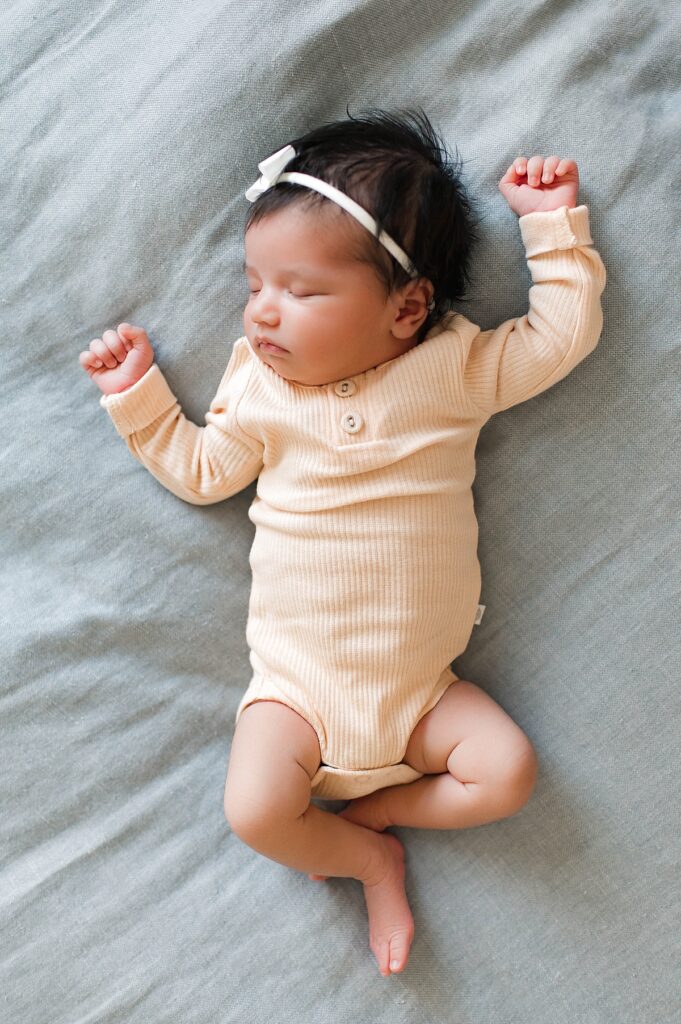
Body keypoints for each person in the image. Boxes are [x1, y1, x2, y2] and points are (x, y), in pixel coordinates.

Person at [77, 107, 606, 978]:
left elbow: (556, 339)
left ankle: (379, 814)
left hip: (421, 697)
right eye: (254, 287)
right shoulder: (257, 391)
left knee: (506, 773)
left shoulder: (450, 368)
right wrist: (141, 397)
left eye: (300, 291)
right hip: (298, 693)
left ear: (406, 308)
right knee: (254, 812)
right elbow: (205, 470)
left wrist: (549, 227)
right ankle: (370, 861)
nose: (263, 315)